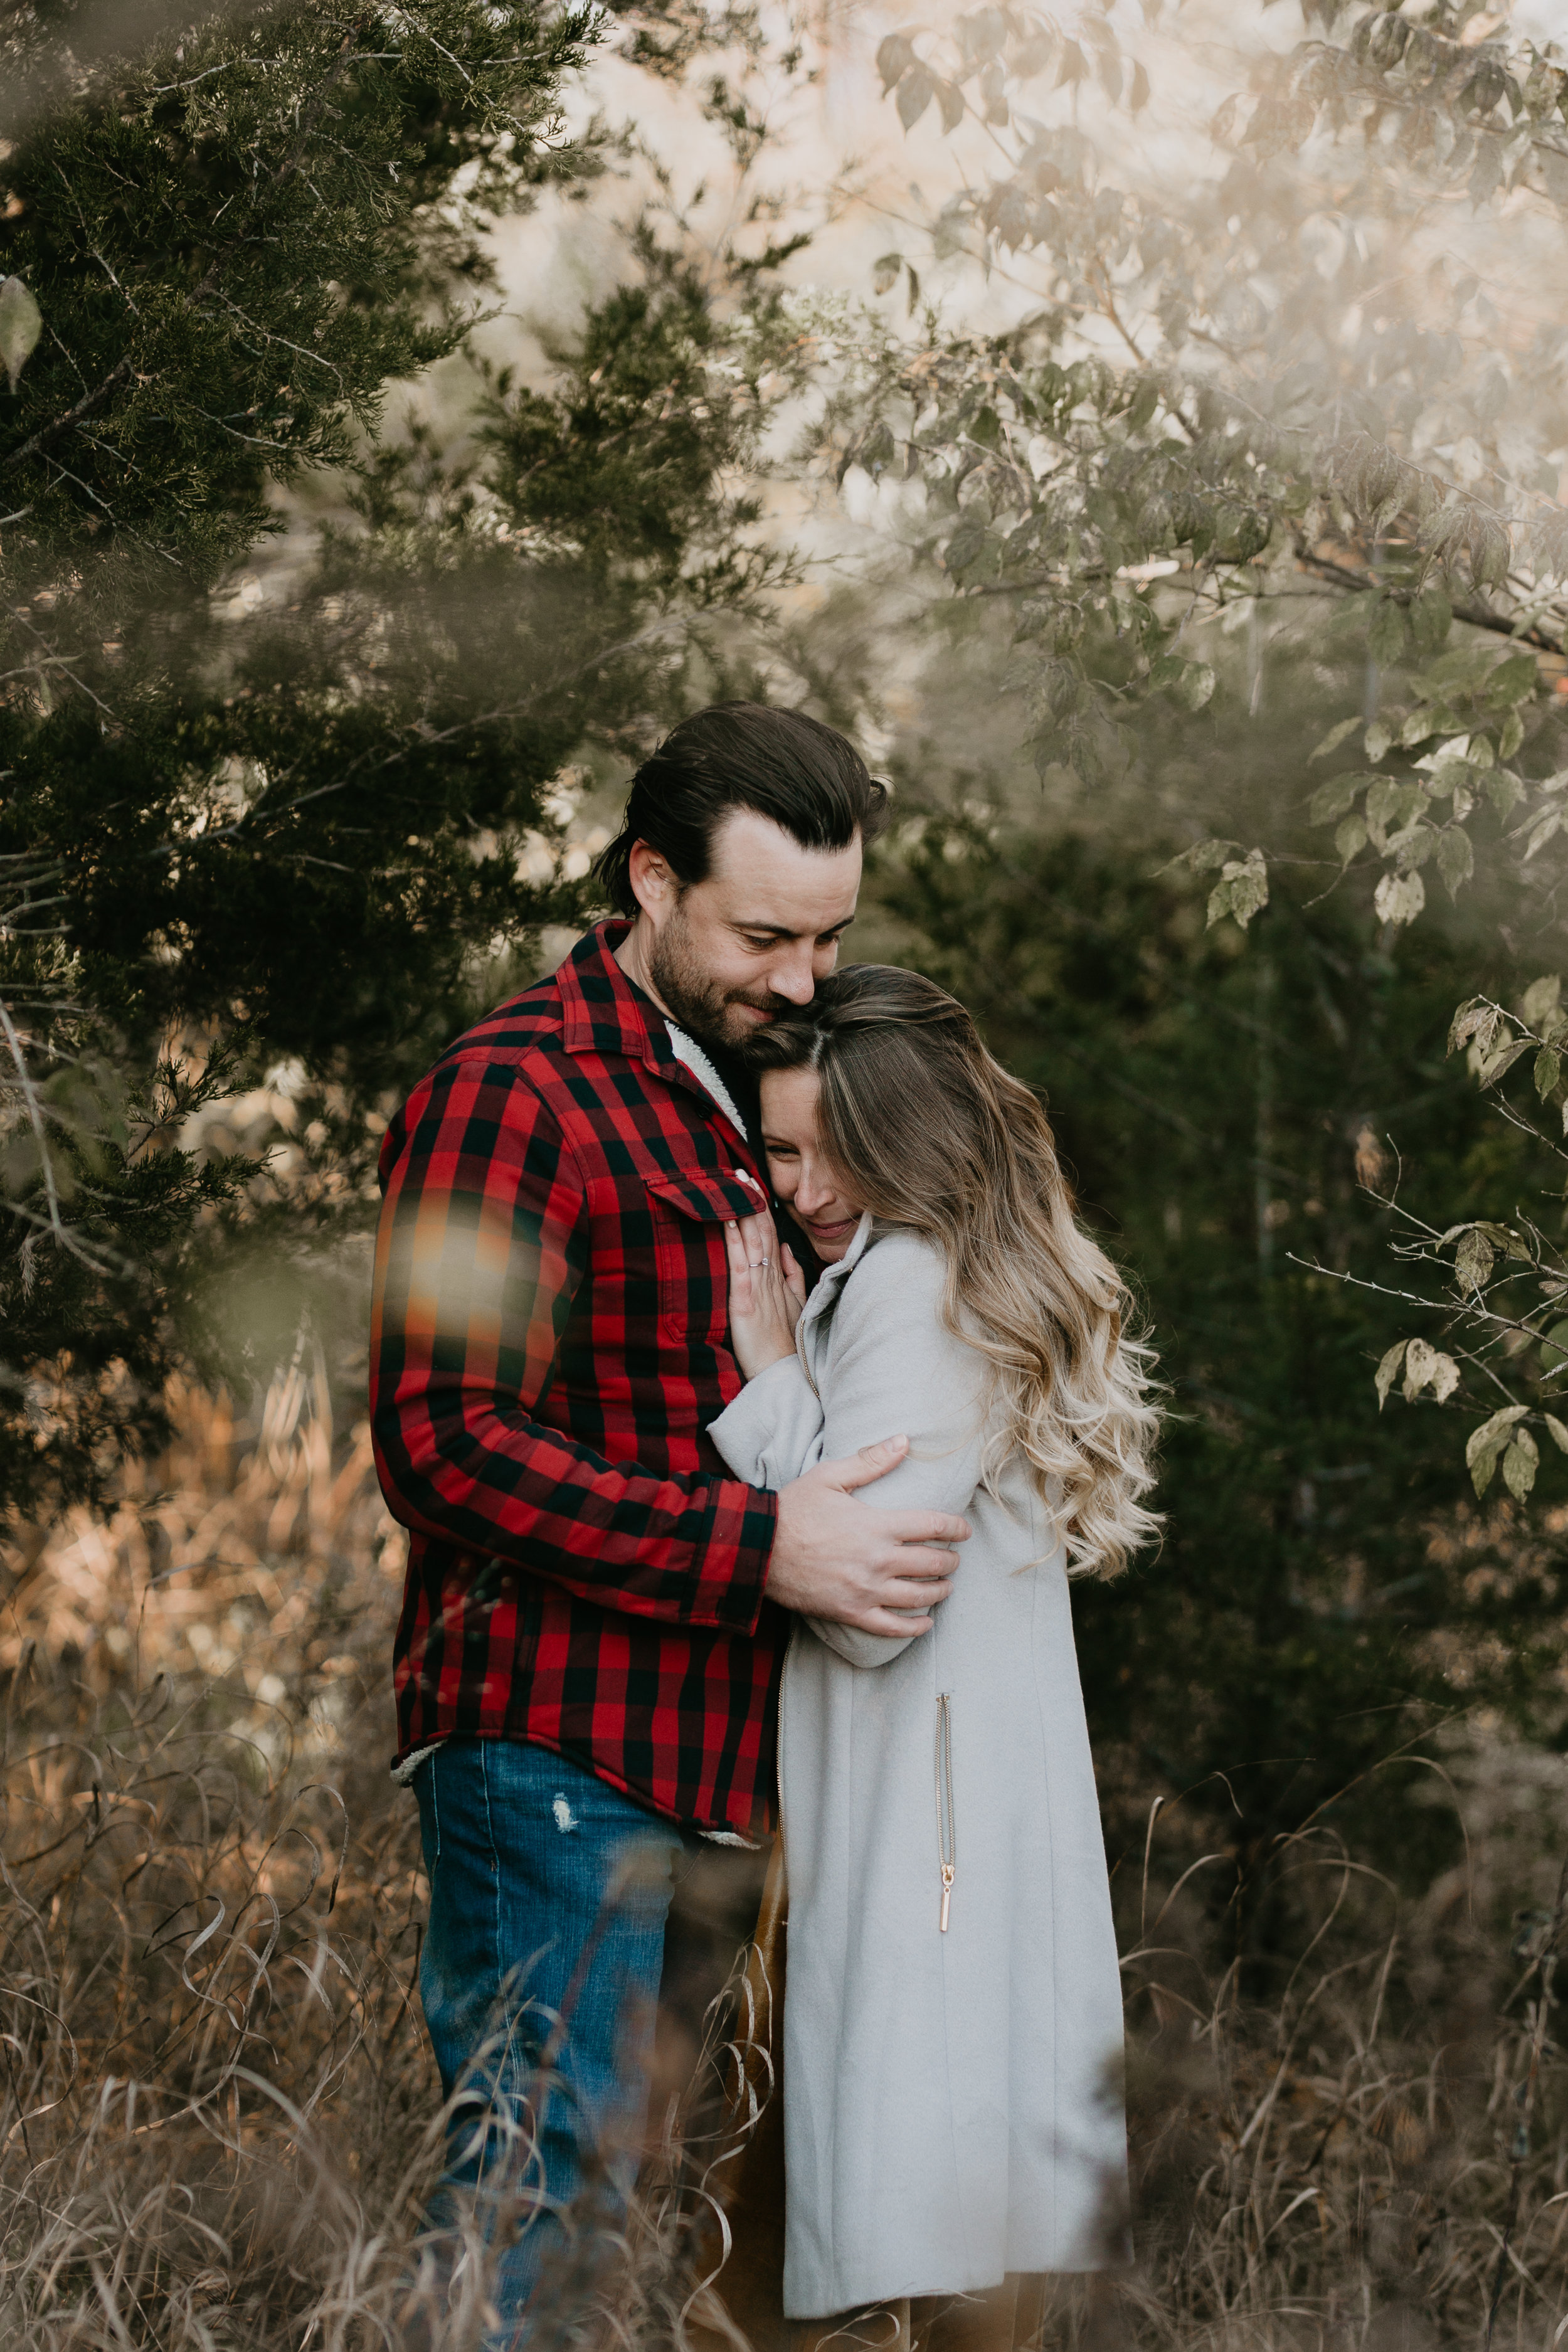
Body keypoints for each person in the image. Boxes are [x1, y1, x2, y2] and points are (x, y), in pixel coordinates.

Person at [368, 705, 973, 2327]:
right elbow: (442, 1440)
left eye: (830, 933)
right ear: (649, 877)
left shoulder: (744, 1089)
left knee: (631, 2228)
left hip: (716, 1773)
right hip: (556, 1754)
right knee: (539, 2200)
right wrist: (757, 1544)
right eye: (763, 930)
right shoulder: (513, 1091)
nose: (799, 973)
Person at [706, 964, 1161, 2351]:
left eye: (836, 1147)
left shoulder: (907, 1285)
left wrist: (768, 1370)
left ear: (910, 1137)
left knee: (931, 2217)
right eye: (780, 1148)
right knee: (961, 2227)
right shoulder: (926, 1271)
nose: (805, 1184)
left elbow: (862, 1598)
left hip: (931, 1833)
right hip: (956, 1814)